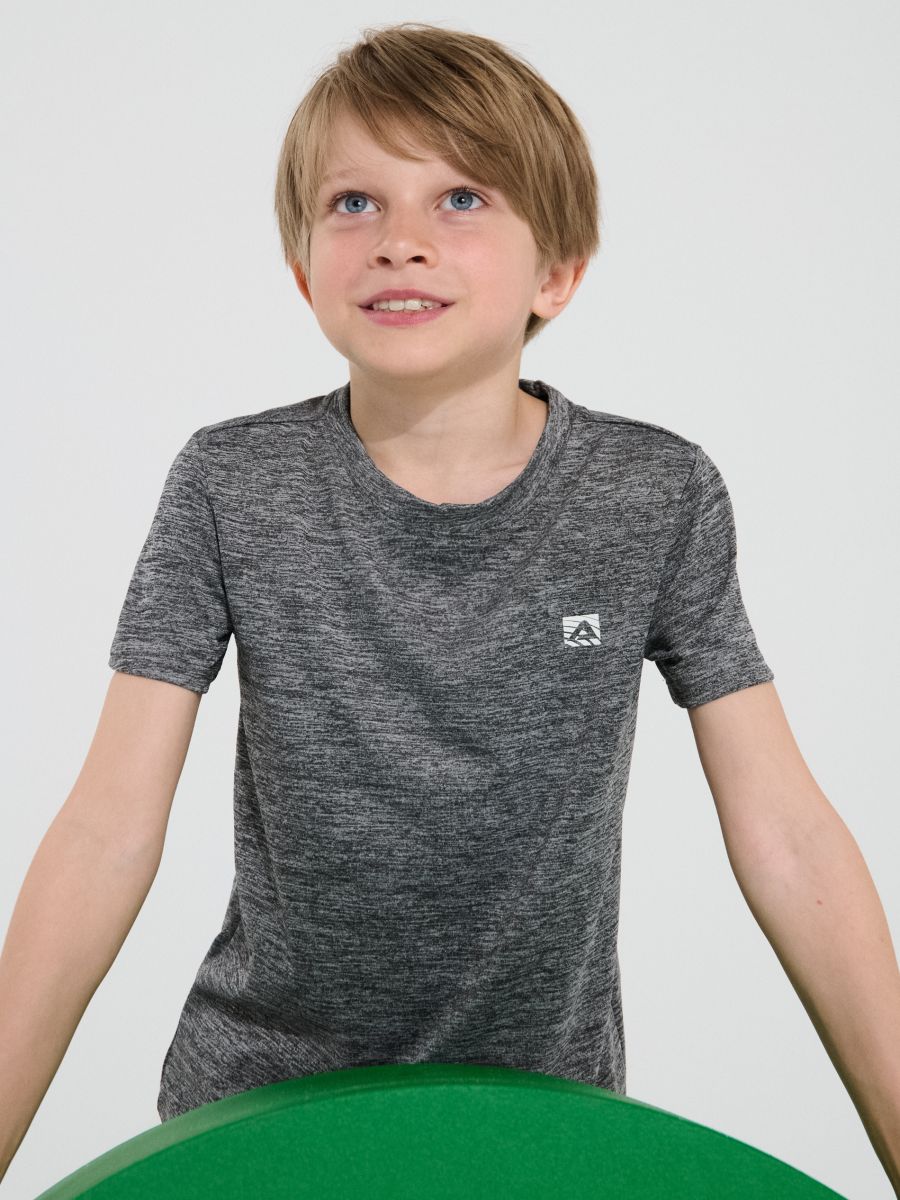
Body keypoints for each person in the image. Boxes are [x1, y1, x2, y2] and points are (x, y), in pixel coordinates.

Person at [2, 20, 899, 1193]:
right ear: (303, 271)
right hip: (257, 1119)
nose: (401, 241)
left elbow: (788, 832)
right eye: (354, 204)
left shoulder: (653, 494)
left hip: (543, 1127)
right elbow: (105, 829)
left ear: (557, 274)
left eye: (462, 199)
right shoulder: (232, 483)